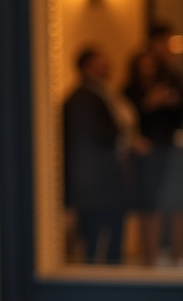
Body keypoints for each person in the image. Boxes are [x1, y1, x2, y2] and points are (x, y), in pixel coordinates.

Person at [65, 48, 133, 264]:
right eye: (99, 63)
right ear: (86, 67)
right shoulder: (83, 98)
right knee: (98, 236)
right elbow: (97, 135)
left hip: (95, 179)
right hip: (96, 180)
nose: (105, 67)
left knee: (101, 233)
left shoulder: (98, 94)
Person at [124, 32, 183, 265]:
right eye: (143, 65)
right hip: (146, 153)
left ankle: (177, 256)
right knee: (151, 203)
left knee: (177, 202)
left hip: (171, 147)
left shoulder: (171, 81)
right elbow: (126, 121)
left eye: (151, 65)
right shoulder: (131, 91)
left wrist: (172, 101)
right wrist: (150, 102)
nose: (148, 68)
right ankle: (150, 257)